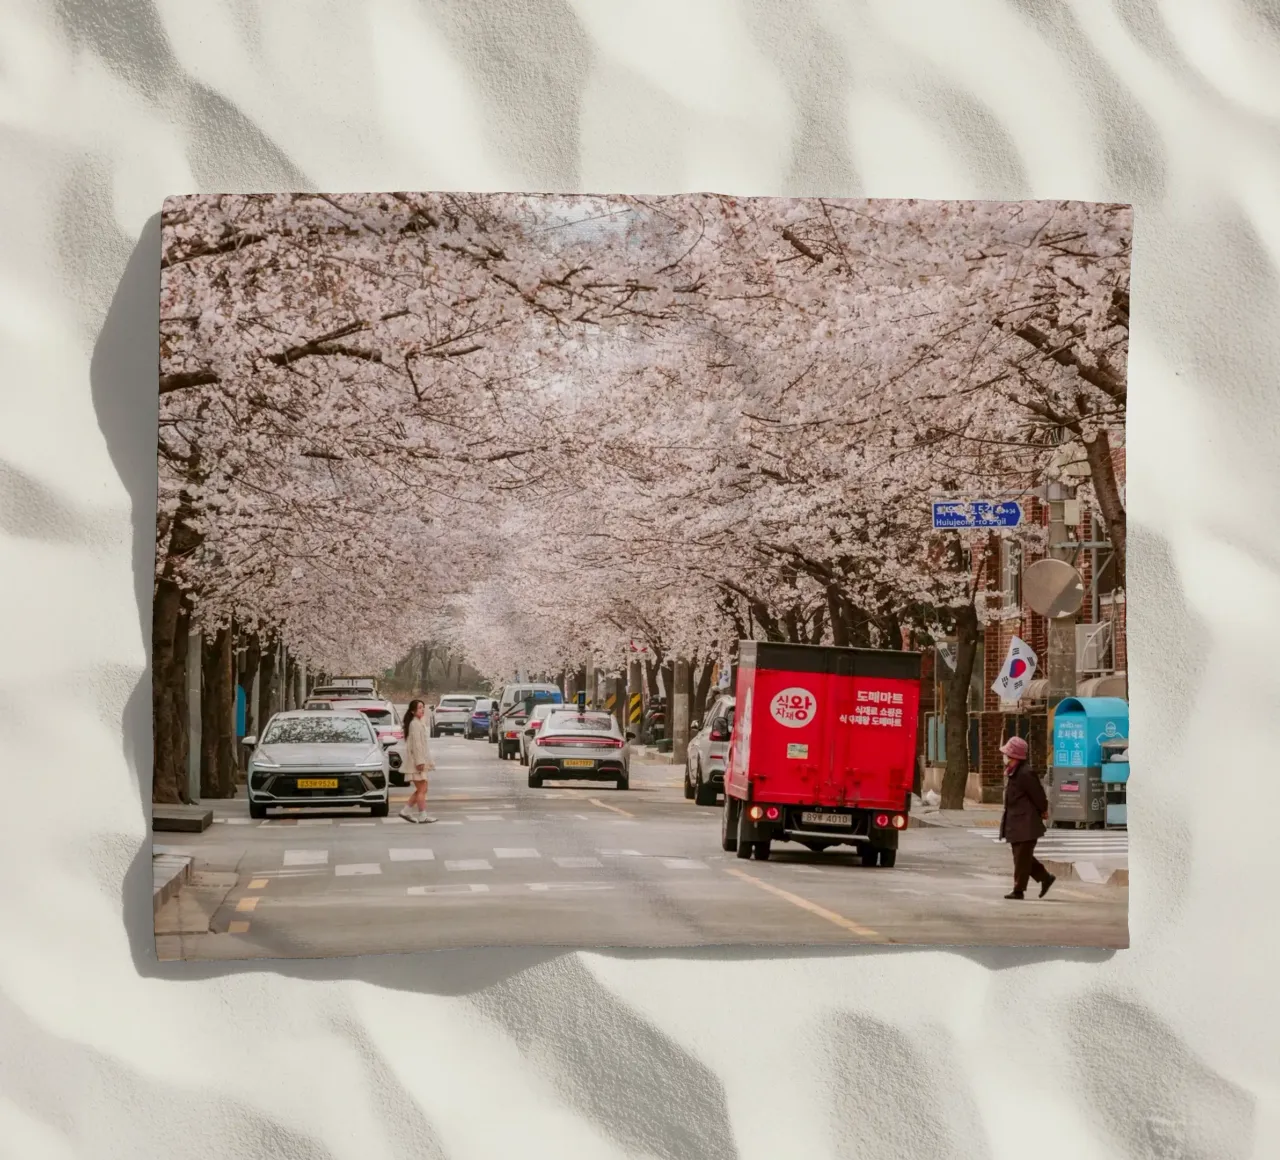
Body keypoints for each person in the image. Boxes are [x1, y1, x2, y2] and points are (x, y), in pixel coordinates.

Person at [998, 735, 1055, 900]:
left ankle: (1018, 890)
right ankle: (1045, 877)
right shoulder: (1014, 772)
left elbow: (1038, 794)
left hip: (1026, 822)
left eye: (1008, 755)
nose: (1005, 758)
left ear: (1015, 756)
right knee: (1022, 857)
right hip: (1017, 822)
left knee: (1021, 857)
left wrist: (1043, 809)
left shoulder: (1025, 773)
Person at [401, 699, 436, 823]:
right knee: (422, 789)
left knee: (423, 788)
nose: (422, 709)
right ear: (413, 711)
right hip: (416, 762)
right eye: (420, 707)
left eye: (423, 707)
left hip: (419, 761)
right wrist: (419, 762)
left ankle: (406, 811)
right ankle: (422, 815)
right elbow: (417, 745)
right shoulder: (415, 724)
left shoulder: (418, 723)